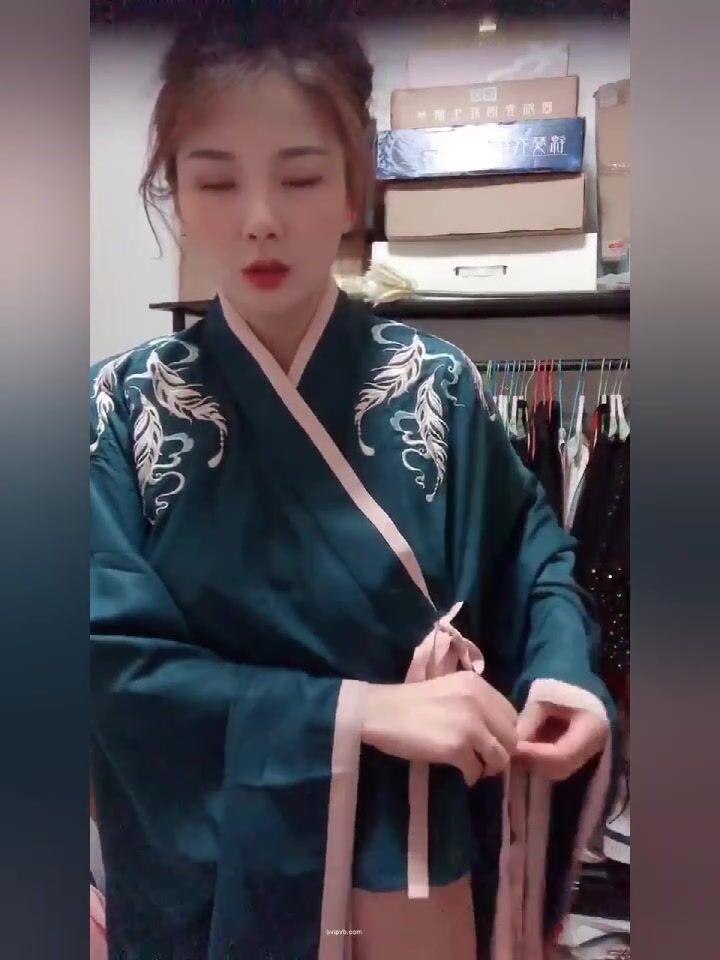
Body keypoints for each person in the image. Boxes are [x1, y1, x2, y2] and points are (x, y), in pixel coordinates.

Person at [90, 10, 615, 960]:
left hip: (415, 852)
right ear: (174, 193)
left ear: (352, 186)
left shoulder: (439, 384)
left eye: (299, 177)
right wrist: (360, 712)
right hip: (226, 878)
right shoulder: (118, 411)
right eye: (216, 180)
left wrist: (562, 673)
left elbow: (533, 556)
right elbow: (107, 666)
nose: (260, 216)